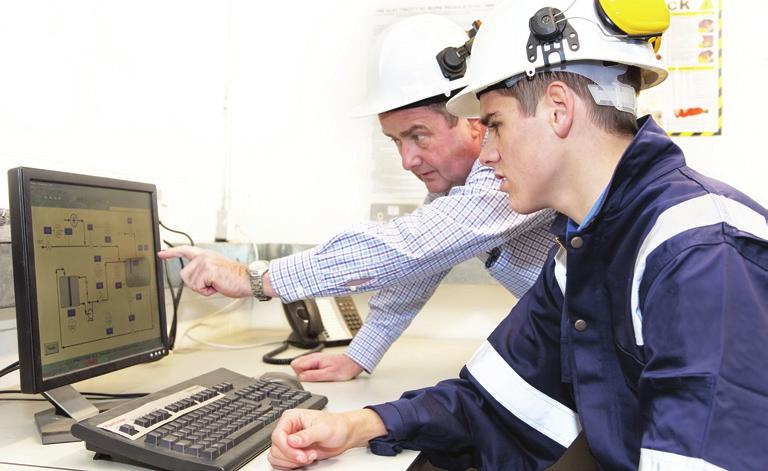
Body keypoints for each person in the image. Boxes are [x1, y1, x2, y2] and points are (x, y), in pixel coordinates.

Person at [267, 0, 768, 469]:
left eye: (495, 124)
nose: (485, 155)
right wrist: (360, 424)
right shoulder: (584, 251)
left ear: (557, 109)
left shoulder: (700, 255)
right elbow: (489, 403)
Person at [159, 15, 554, 381]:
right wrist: (359, 355)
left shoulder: (511, 169)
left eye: (418, 135)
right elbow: (418, 269)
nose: (407, 160)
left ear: (471, 119)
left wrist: (253, 278)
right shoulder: (462, 189)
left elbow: (407, 248)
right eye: (396, 141)